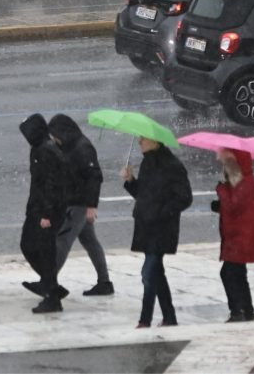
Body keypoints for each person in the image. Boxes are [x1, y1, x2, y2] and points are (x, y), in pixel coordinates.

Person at [121, 137, 192, 328]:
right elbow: (143, 195)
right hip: (146, 226)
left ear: (156, 142)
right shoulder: (147, 163)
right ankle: (169, 317)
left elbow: (185, 197)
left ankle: (145, 319)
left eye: (143, 139)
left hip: (162, 227)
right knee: (156, 273)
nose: (139, 143)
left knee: (149, 272)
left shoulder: (172, 165)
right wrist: (131, 181)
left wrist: (162, 212)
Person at [47, 114, 114, 296]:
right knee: (90, 242)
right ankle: (104, 282)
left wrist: (92, 206)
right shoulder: (68, 146)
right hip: (72, 200)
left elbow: (94, 177)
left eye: (54, 134)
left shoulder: (82, 148)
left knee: (62, 241)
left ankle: (49, 281)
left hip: (80, 204)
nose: (53, 138)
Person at [19, 114, 67, 313]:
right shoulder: (38, 149)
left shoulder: (46, 151)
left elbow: (51, 185)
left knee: (44, 251)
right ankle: (51, 285)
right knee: (29, 246)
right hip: (37, 209)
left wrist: (47, 213)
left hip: (46, 211)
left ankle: (51, 295)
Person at [212, 148, 254, 322]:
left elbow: (234, 206)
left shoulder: (246, 182)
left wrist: (221, 189)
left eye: (224, 161)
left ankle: (237, 311)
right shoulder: (238, 181)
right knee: (238, 274)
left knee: (229, 273)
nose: (221, 163)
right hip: (237, 235)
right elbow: (234, 206)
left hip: (241, 237)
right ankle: (247, 310)